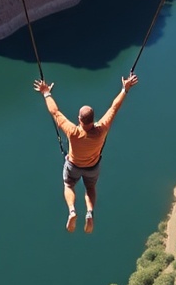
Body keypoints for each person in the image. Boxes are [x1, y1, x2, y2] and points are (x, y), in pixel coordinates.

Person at [33, 73, 139, 233]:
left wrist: (46, 93)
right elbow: (114, 107)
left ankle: (72, 211)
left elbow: (55, 112)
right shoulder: (102, 129)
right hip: (92, 167)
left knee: (69, 184)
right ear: (93, 119)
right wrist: (125, 89)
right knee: (90, 188)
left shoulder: (73, 131)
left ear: (79, 119)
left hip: (73, 166)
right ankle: (89, 213)